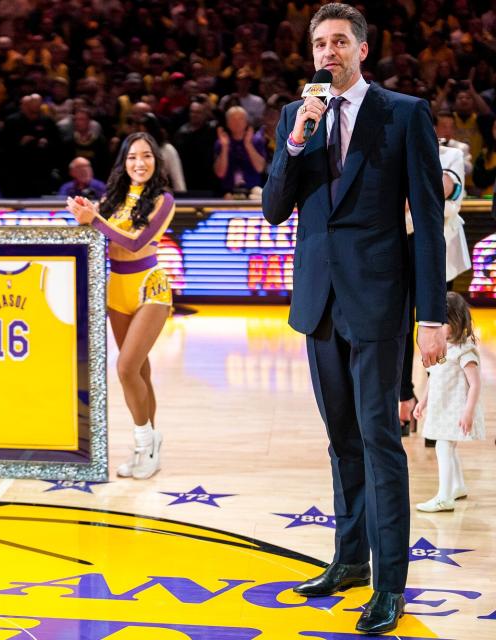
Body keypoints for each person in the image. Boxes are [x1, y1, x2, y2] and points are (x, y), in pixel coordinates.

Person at [261, 4, 446, 635]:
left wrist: (431, 316)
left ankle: (390, 586)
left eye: (340, 41)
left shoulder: (403, 113)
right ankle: (349, 561)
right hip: (317, 302)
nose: (328, 52)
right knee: (342, 440)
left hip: (378, 303)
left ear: (362, 50)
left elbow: (424, 221)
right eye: (319, 43)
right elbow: (273, 210)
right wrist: (295, 140)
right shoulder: (297, 116)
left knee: (379, 441)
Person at [66, 132, 176, 480]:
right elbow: (99, 240)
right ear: (123, 163)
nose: (139, 163)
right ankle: (150, 447)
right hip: (117, 290)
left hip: (150, 289)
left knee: (126, 368)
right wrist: (85, 216)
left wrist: (95, 220)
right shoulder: (112, 199)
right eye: (132, 157)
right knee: (140, 371)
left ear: (156, 162)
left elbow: (136, 242)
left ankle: (145, 443)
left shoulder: (164, 200)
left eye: (146, 156)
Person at [399, 134, 470, 439]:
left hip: (439, 250)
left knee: (440, 329)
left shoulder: (451, 154)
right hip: (400, 246)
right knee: (399, 326)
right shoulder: (395, 150)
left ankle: (437, 405)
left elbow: (442, 189)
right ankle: (404, 399)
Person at [413, 292, 485, 512]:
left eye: (442, 323)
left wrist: (468, 412)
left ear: (454, 321)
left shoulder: (465, 350)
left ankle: (445, 496)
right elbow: (434, 377)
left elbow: (475, 384)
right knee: (449, 448)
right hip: (442, 407)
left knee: (444, 447)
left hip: (454, 409)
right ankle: (458, 486)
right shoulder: (444, 349)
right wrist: (422, 402)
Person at [214, 105, 267, 196]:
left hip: (252, 190)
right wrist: (225, 147)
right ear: (227, 123)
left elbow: (260, 168)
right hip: (228, 191)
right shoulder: (222, 142)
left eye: (240, 119)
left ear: (246, 122)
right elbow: (220, 173)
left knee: (258, 194)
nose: (237, 122)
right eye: (233, 119)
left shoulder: (256, 140)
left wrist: (248, 145)